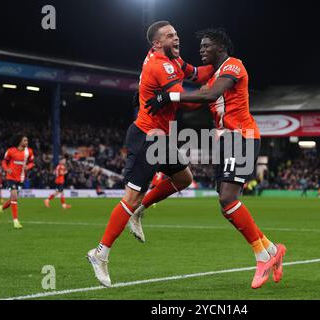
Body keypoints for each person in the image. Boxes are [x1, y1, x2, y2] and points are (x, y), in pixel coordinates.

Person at [144, 28, 286, 289]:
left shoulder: (233, 65)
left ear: (220, 47)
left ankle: (261, 256)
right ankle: (273, 250)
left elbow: (208, 96)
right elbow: (192, 81)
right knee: (225, 204)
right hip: (226, 141)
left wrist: (168, 95)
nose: (201, 50)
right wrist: (159, 75)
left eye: (206, 46)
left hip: (242, 137)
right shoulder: (212, 76)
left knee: (227, 198)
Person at [86, 20, 214, 287]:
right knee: (131, 197)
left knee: (183, 179)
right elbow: (186, 99)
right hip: (147, 137)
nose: (176, 38)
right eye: (170, 36)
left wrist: (222, 65)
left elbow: (195, 73)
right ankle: (100, 252)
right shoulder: (162, 64)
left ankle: (139, 212)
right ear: (157, 43)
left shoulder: (171, 60)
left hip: (162, 137)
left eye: (177, 34)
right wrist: (211, 94)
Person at [0, 135, 34, 229]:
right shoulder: (11, 151)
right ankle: (15, 221)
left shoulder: (29, 151)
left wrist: (27, 167)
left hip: (21, 178)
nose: (27, 142)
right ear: (20, 141)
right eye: (25, 140)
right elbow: (4, 162)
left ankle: (2, 208)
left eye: (27, 140)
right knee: (14, 197)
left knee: (13, 199)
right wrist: (7, 169)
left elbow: (32, 162)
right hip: (10, 177)